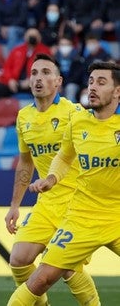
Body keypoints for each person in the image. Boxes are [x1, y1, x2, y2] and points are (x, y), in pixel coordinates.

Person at [7, 61, 120, 305]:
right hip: (70, 210)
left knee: (68, 268)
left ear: (59, 81)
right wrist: (45, 182)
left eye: (101, 82)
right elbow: (51, 158)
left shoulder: (72, 112)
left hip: (93, 205)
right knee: (25, 264)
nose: (92, 87)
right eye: (90, 82)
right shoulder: (30, 117)